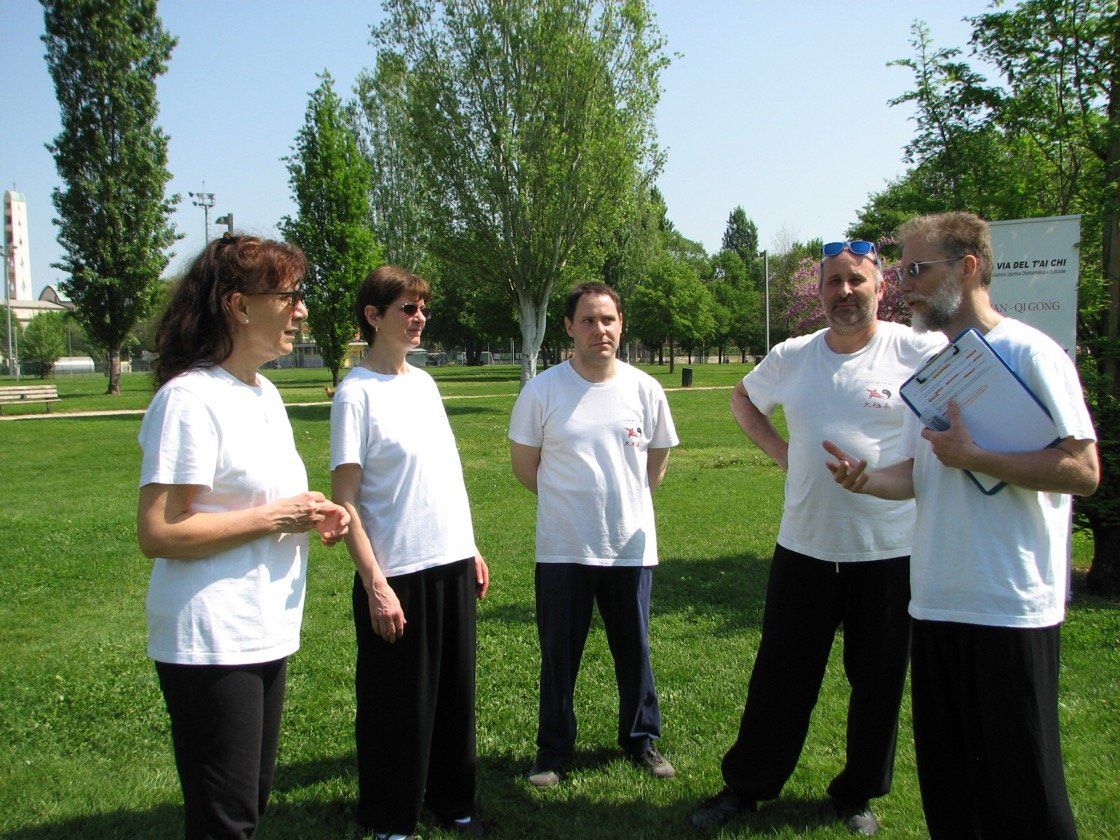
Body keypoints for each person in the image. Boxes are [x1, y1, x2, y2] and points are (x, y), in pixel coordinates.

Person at [826, 212, 1099, 840]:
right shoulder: (941, 367)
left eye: (917, 269)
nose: (905, 285)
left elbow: (1083, 470)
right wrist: (867, 479)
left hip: (1008, 608)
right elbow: (926, 475)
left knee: (1024, 792)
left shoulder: (1030, 352)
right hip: (938, 603)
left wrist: (978, 457)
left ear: (968, 267)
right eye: (901, 271)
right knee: (951, 790)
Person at [690, 241, 945, 836]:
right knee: (781, 675)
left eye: (856, 280)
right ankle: (747, 786)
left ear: (880, 288)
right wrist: (785, 454)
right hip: (804, 547)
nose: (845, 292)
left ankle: (857, 793)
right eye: (833, 282)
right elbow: (743, 398)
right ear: (821, 292)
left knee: (878, 681)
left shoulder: (918, 350)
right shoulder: (793, 356)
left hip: (888, 551)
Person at [136, 234, 350, 839]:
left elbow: (260, 499)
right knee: (225, 820)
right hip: (211, 638)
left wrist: (314, 512)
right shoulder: (189, 399)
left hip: (263, 630)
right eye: (289, 296)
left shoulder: (264, 393)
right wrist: (273, 518)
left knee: (247, 805)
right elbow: (157, 530)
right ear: (238, 305)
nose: (301, 309)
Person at [330, 266, 489, 840]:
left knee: (453, 696)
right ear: (374, 317)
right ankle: (390, 818)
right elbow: (344, 501)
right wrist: (375, 583)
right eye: (407, 308)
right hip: (396, 572)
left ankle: (453, 803)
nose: (419, 317)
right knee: (397, 705)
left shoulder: (424, 384)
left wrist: (469, 547)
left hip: (448, 560)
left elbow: (445, 473)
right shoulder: (355, 394)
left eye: (422, 307)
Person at [508, 282, 679, 787]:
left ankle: (641, 740)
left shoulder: (645, 389)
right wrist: (569, 504)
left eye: (608, 319)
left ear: (621, 324)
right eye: (588, 320)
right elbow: (525, 467)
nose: (599, 329)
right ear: (569, 327)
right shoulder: (543, 391)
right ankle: (554, 752)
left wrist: (626, 501)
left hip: (631, 547)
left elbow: (658, 461)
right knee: (559, 656)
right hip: (564, 548)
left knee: (636, 651)